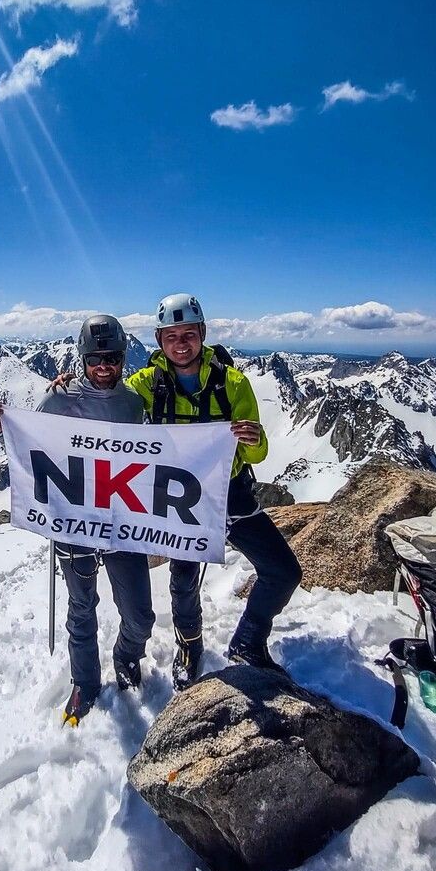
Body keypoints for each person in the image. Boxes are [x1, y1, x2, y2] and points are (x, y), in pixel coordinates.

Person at [0, 315, 156, 726]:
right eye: (95, 359)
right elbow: (31, 442)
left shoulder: (134, 403)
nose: (104, 367)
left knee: (140, 616)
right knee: (81, 608)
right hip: (74, 523)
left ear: (123, 358)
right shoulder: (57, 399)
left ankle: (126, 655)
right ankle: (85, 683)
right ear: (82, 359)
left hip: (123, 522)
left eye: (112, 358)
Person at [125, 293, 302, 688]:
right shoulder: (145, 384)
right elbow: (109, 406)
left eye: (188, 333)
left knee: (283, 571)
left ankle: (248, 641)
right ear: (159, 340)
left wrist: (253, 438)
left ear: (202, 333)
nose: (181, 343)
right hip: (182, 498)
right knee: (182, 578)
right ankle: (189, 646)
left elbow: (260, 450)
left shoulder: (233, 384)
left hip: (230, 493)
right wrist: (69, 387)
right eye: (171, 336)